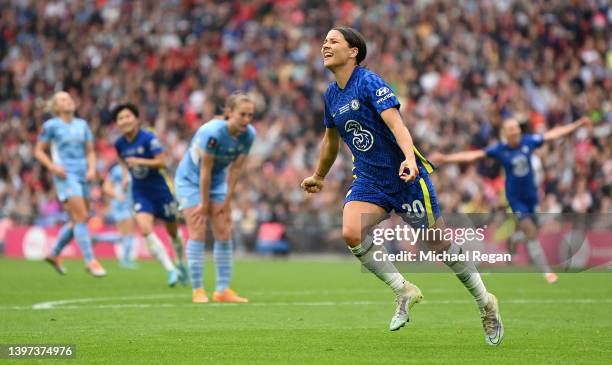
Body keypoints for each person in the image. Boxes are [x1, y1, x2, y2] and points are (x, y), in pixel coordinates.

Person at [300, 26, 503, 345]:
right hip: (369, 180)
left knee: (439, 246)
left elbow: (397, 124)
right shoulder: (331, 95)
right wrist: (320, 175)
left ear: (353, 51)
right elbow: (330, 140)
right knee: (351, 232)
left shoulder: (368, 82)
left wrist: (409, 158)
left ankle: (485, 302)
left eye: (333, 41)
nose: (325, 45)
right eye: (323, 40)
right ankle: (403, 290)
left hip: (407, 179)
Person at [430, 116, 591, 283]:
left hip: (532, 197)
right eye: (511, 129)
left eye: (517, 128)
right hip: (516, 200)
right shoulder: (499, 150)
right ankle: (547, 272)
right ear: (505, 133)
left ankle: (516, 238)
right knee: (530, 231)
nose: (515, 131)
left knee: (534, 231)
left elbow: (553, 134)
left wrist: (577, 124)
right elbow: (473, 156)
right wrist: (446, 159)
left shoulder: (529, 142)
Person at [175, 92, 256, 303]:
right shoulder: (212, 132)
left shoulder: (249, 135)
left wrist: (227, 201)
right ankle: (198, 290)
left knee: (224, 228)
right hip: (190, 181)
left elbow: (236, 170)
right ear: (229, 113)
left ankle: (222, 290)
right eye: (242, 115)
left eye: (250, 115)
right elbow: (204, 171)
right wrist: (203, 203)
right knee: (198, 229)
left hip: (218, 181)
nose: (246, 120)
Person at [112, 103, 187, 287]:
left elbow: (162, 162)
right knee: (145, 230)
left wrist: (138, 161)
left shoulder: (148, 138)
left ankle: (180, 261)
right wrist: (124, 177)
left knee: (174, 232)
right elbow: (123, 162)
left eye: (128, 116)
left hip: (160, 190)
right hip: (140, 192)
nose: (124, 120)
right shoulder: (119, 143)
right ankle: (171, 270)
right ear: (117, 123)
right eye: (120, 118)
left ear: (136, 119)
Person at [34, 91, 106, 277]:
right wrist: (52, 167)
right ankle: (90, 261)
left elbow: (90, 151)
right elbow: (39, 151)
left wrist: (91, 169)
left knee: (78, 219)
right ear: (56, 107)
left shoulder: (82, 125)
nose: (67, 101)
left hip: (84, 175)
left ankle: (55, 253)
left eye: (69, 98)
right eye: (62, 99)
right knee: (81, 216)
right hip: (65, 176)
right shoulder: (51, 126)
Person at [101, 163, 137, 268]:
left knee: (123, 235)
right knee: (128, 233)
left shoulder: (133, 168)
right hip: (121, 204)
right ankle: (125, 260)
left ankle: (98, 238)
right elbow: (106, 187)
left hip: (129, 203)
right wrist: (117, 195)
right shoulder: (116, 170)